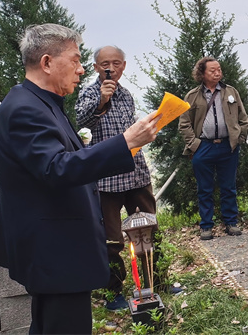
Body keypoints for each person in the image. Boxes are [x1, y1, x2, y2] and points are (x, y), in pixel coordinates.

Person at [0, 24, 159, 334]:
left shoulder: (41, 102)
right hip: (55, 250)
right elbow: (56, 168)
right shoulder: (25, 109)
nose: (81, 70)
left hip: (57, 248)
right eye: (76, 60)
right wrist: (125, 143)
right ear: (47, 62)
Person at [74, 45, 161, 310]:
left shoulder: (126, 95)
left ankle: (157, 282)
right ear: (96, 67)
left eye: (116, 63)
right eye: (105, 64)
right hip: (106, 178)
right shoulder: (89, 92)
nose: (110, 68)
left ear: (123, 66)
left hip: (136, 172)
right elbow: (81, 121)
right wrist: (101, 100)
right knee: (111, 239)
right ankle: (113, 291)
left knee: (149, 229)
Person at [177, 56, 248, 241]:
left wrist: (239, 138)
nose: (217, 73)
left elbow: (243, 118)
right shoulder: (192, 96)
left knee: (229, 187)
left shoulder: (230, 91)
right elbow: (184, 123)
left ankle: (231, 222)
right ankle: (206, 226)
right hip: (204, 147)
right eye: (213, 70)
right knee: (204, 189)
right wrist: (194, 145)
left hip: (228, 146)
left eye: (219, 69)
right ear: (202, 73)